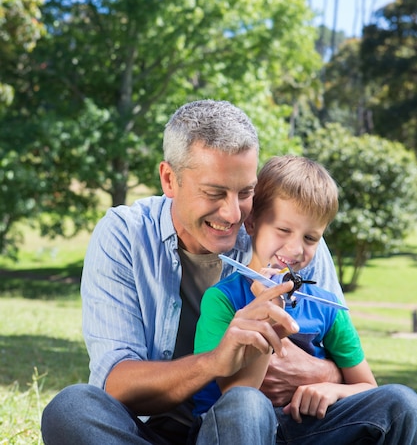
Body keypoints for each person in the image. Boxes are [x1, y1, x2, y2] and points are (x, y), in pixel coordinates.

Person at [40, 100, 417, 445]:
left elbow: (343, 351)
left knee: (399, 404)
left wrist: (329, 378)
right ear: (170, 179)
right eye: (215, 192)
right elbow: (116, 384)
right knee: (72, 408)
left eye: (245, 192)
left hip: (288, 426)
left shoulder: (288, 241)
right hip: (168, 429)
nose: (234, 214)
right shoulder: (125, 234)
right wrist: (216, 362)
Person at [193, 155, 383, 438]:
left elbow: (369, 389)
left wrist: (334, 389)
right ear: (252, 223)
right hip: (233, 428)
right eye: (283, 230)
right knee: (248, 405)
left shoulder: (327, 307)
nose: (295, 249)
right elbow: (238, 394)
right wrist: (267, 312)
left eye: (310, 238)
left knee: (400, 402)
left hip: (307, 429)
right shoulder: (222, 300)